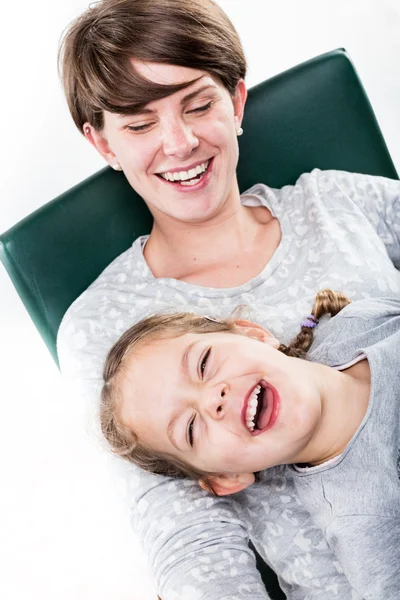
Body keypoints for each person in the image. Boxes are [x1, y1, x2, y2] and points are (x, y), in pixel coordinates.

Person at [57, 0, 400, 597]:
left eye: (198, 104)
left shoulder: (335, 203)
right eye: (139, 125)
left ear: (237, 101)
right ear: (102, 143)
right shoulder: (101, 326)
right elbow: (189, 541)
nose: (180, 142)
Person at [99, 290, 400, 599]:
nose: (213, 399)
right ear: (227, 477)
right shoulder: (368, 524)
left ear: (254, 335)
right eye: (190, 429)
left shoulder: (362, 321)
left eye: (203, 364)